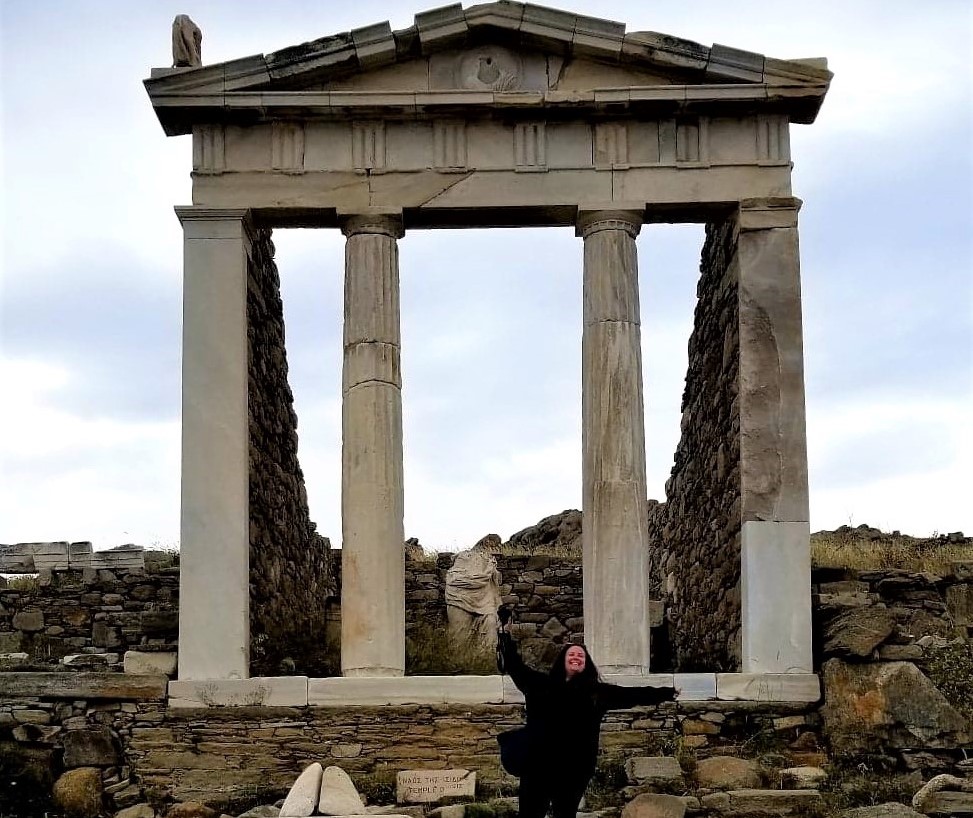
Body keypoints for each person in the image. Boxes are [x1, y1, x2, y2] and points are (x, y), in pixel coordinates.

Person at [496, 606, 676, 818]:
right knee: (530, 813)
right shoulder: (540, 686)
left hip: (575, 768)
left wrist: (667, 692)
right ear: (563, 659)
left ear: (586, 663)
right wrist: (504, 633)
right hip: (539, 765)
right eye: (571, 654)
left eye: (581, 655)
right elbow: (515, 666)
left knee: (565, 813)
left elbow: (633, 694)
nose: (576, 657)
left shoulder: (596, 693)